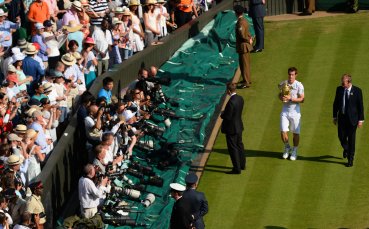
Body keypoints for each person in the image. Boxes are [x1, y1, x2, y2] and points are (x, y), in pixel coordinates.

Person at [333, 74, 364, 167]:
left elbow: (360, 106)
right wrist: (334, 116)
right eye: (341, 82)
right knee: (341, 136)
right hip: (342, 118)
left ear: (349, 82)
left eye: (343, 83)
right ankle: (346, 149)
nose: (342, 85)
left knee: (351, 140)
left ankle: (350, 159)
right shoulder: (339, 89)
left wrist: (361, 120)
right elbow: (335, 103)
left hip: (353, 120)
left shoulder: (357, 91)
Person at [279, 67, 304, 161]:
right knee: (283, 131)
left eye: (292, 74)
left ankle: (294, 150)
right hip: (285, 111)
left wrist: (291, 99)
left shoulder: (299, 85)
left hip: (295, 112)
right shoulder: (283, 83)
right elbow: (280, 94)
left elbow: (302, 99)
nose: (290, 76)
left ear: (296, 75)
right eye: (289, 74)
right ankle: (287, 147)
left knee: (295, 133)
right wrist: (281, 98)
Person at [220, 82, 245, 174]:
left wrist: (222, 114)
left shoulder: (231, 102)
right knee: (240, 145)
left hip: (231, 129)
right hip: (239, 126)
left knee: (233, 148)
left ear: (228, 91)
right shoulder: (240, 98)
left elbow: (228, 116)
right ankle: (242, 165)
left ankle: (237, 169)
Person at [234, 5, 253, 89]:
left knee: (244, 65)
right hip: (245, 46)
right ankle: (247, 79)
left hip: (243, 46)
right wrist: (250, 38)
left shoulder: (240, 22)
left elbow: (242, 35)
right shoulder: (244, 20)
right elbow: (247, 32)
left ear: (236, 13)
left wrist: (248, 40)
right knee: (245, 64)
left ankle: (246, 82)